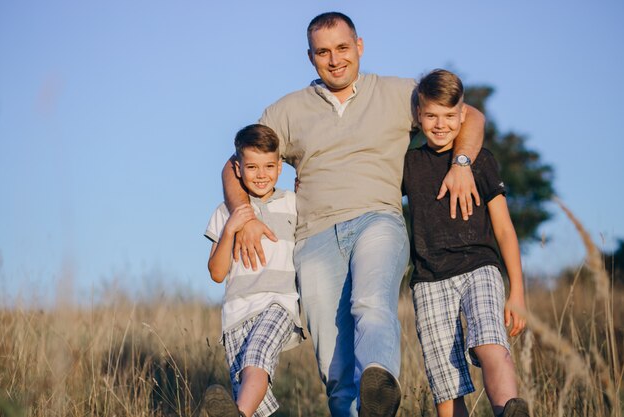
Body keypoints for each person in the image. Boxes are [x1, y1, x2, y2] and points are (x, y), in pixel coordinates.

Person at [222, 12, 486, 417]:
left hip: (377, 219)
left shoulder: (400, 94)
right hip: (314, 237)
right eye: (323, 52)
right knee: (333, 358)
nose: (334, 60)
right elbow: (234, 164)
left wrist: (462, 163)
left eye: (342, 48)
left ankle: (378, 383)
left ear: (359, 46)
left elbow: (470, 115)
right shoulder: (287, 111)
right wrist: (244, 212)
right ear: (310, 56)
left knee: (370, 300)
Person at [402, 69, 529, 417]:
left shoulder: (481, 160)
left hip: (479, 268)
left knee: (491, 342)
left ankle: (508, 411)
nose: (440, 124)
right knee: (446, 382)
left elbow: (504, 229)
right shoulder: (408, 165)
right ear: (418, 116)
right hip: (429, 280)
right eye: (431, 115)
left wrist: (516, 292)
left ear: (463, 115)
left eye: (449, 116)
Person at [203, 124, 303, 417]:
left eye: (269, 166)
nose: (261, 174)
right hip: (236, 313)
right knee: (255, 400)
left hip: (279, 303)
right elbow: (217, 272)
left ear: (280, 166)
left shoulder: (293, 203)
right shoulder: (224, 212)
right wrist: (231, 228)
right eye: (252, 167)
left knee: (257, 358)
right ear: (237, 168)